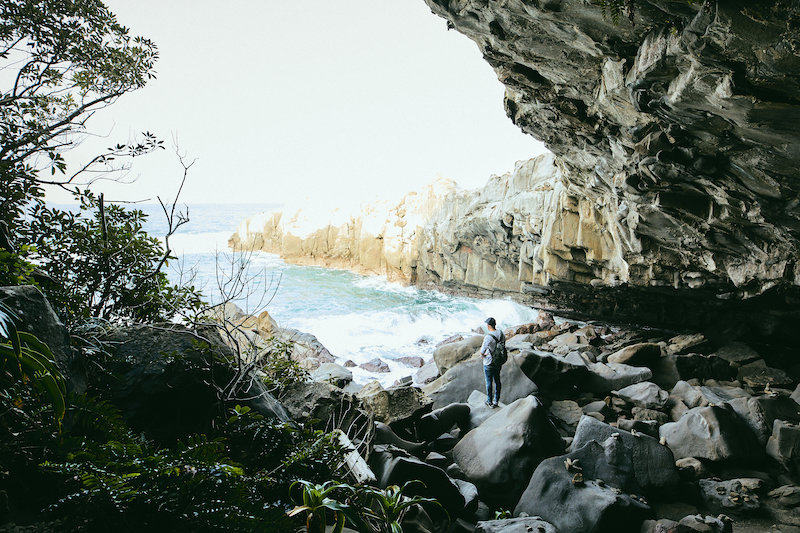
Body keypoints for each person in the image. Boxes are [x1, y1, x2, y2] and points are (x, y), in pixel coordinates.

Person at [480, 317, 504, 408]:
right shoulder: (501, 333)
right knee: (497, 380)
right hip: (498, 361)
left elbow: (482, 350)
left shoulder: (488, 337)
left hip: (489, 362)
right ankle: (496, 400)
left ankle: (489, 401)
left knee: (489, 381)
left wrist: (483, 355)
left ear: (489, 326)